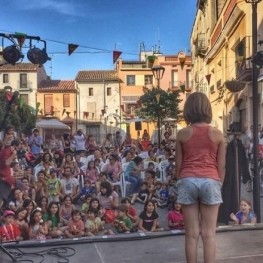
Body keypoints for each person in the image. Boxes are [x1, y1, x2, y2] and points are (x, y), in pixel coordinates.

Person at [176, 92, 225, 263]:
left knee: (191, 234)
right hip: (211, 180)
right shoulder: (218, 134)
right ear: (207, 109)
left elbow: (178, 165)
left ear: (188, 110)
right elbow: (221, 166)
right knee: (209, 233)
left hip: (187, 179)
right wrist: (218, 184)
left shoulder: (182, 134)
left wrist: (179, 183)